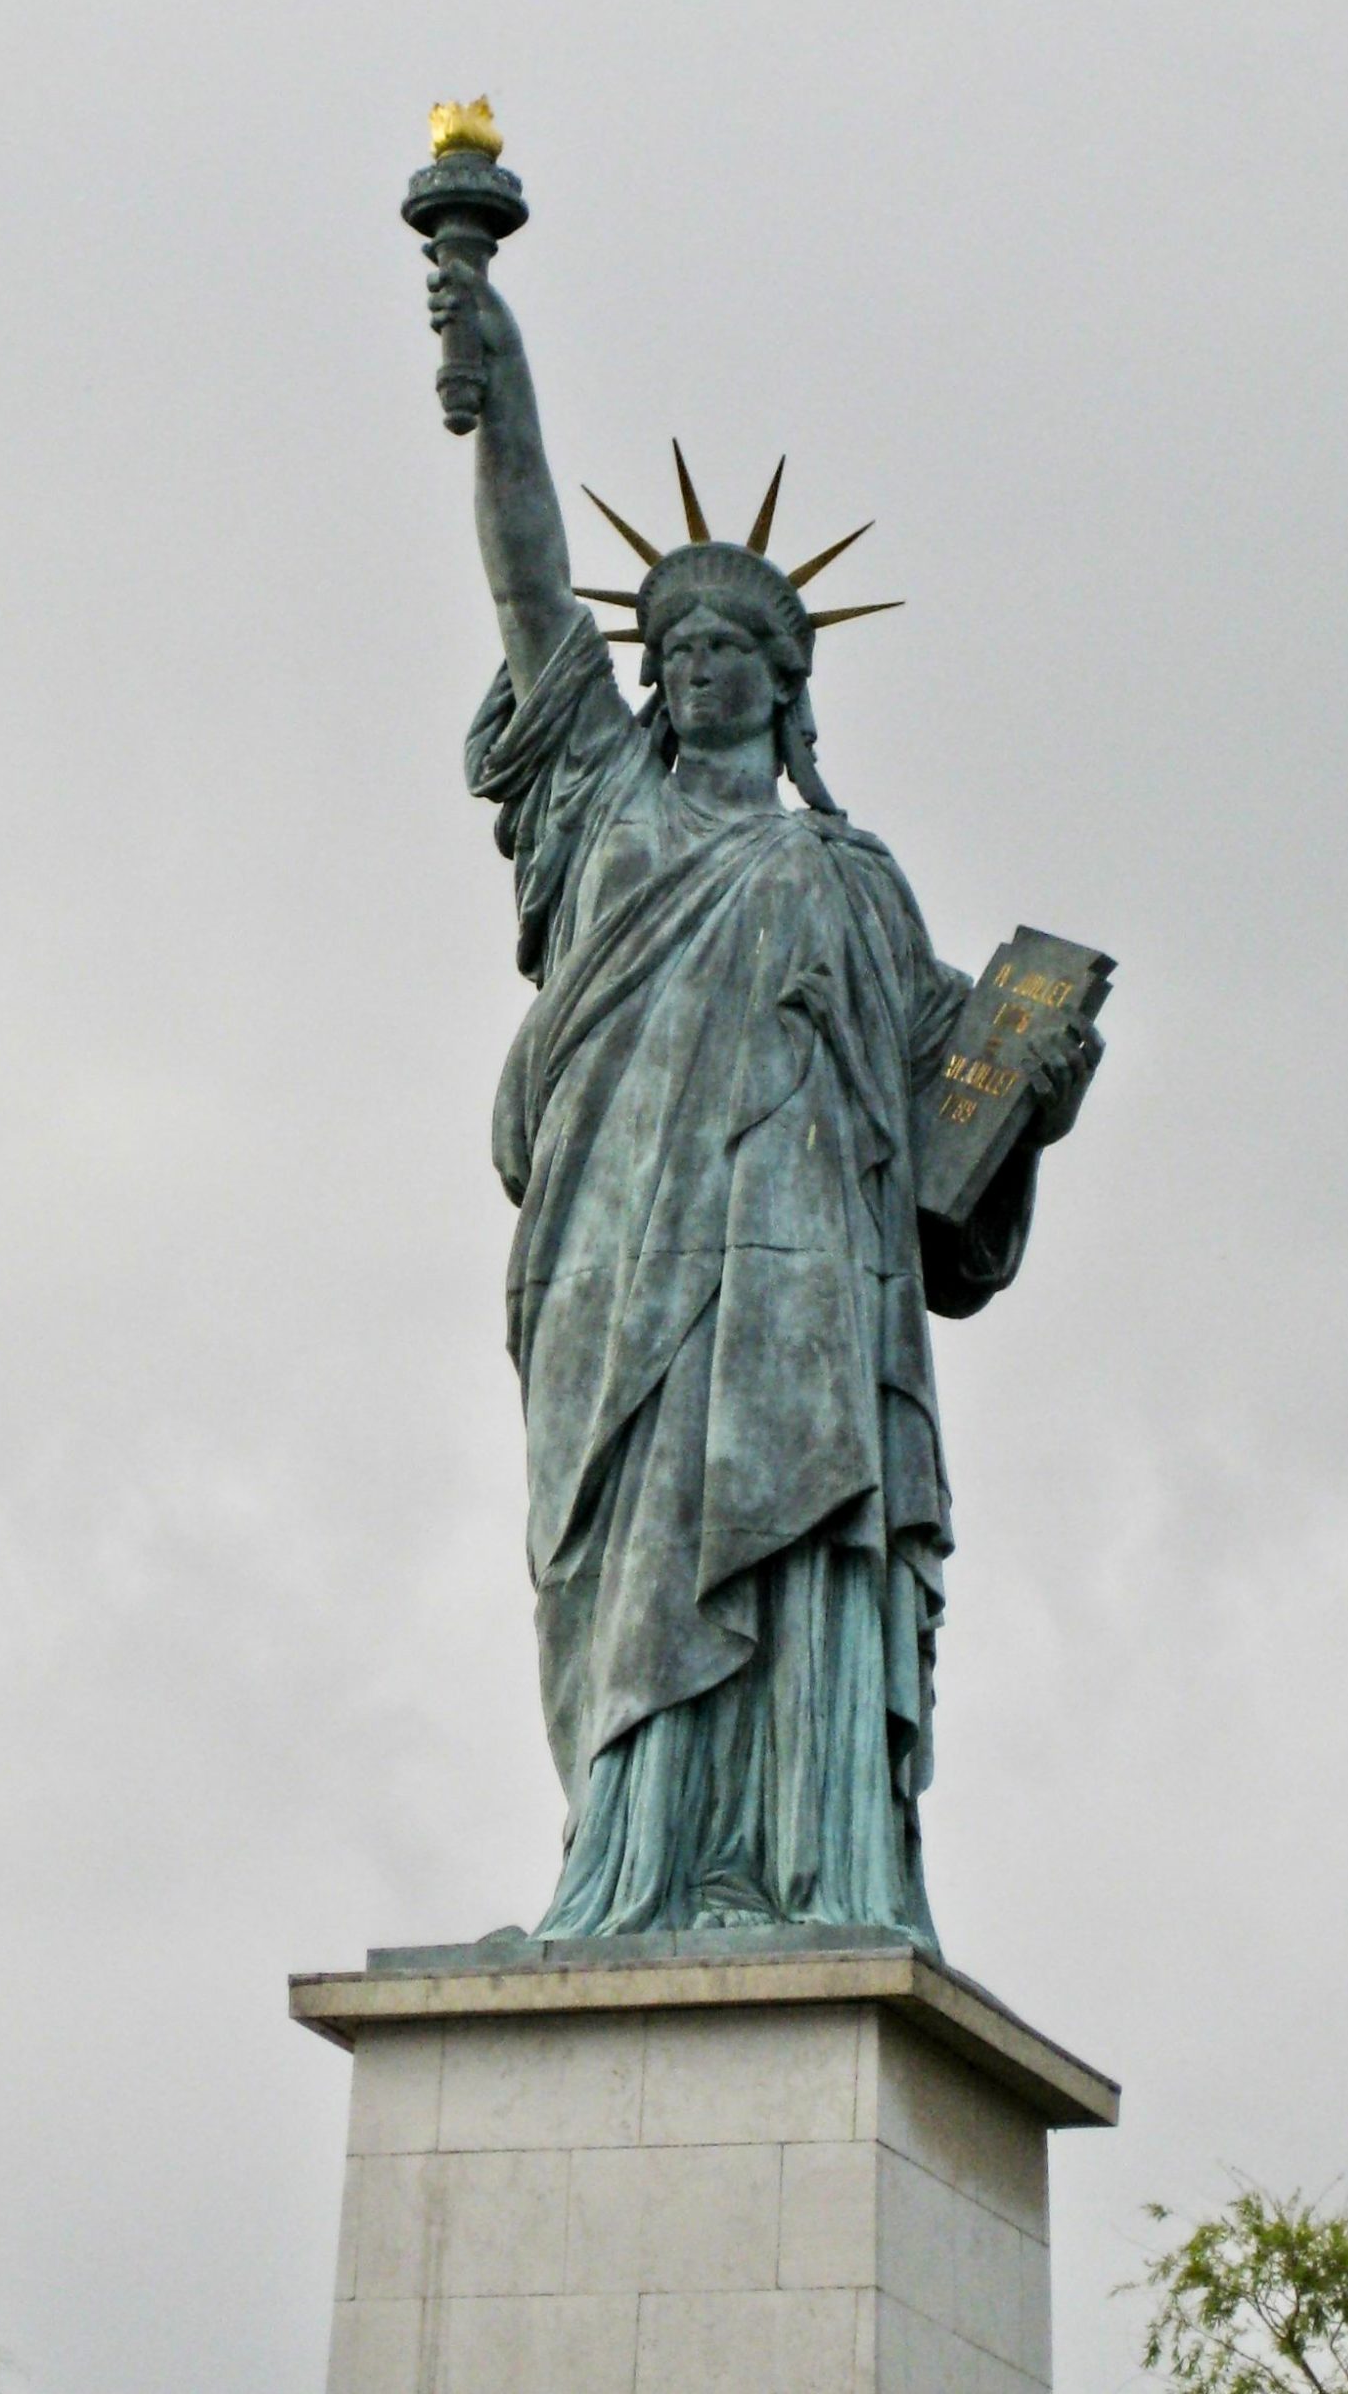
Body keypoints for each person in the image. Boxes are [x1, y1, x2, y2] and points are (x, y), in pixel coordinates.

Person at [428, 253, 1101, 1949]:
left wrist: (1043, 1086)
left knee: (796, 1530)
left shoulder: (851, 879)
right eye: (674, 641)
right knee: (623, 1543)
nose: (702, 663)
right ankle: (629, 1864)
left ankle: (798, 1870)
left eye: (736, 642)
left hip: (804, 1264)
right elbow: (519, 574)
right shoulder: (595, 795)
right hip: (617, 1244)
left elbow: (951, 1114)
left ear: (790, 678)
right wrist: (489, 360)